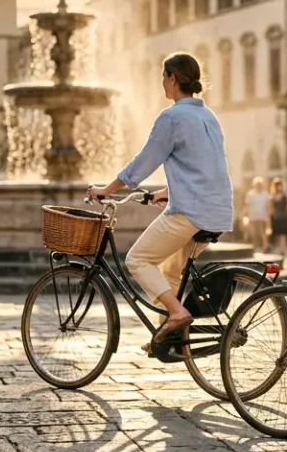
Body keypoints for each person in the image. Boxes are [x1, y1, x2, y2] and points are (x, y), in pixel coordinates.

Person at [87, 52, 234, 350]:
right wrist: (165, 193)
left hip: (190, 213)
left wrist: (107, 189)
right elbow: (203, 165)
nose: (161, 84)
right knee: (168, 272)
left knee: (138, 260)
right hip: (217, 211)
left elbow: (143, 163)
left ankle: (178, 313)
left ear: (172, 78)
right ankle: (169, 340)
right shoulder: (208, 115)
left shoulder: (172, 116)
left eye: (163, 77)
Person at [244, 177, 271, 253]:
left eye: (260, 184)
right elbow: (247, 205)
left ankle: (265, 247)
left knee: (263, 233)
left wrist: (268, 216)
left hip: (262, 216)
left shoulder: (265, 194)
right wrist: (246, 216)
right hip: (253, 217)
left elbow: (268, 206)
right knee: (253, 233)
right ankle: (254, 247)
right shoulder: (250, 194)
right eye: (257, 184)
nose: (259, 186)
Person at [268, 178, 287, 258]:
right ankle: (278, 249)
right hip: (275, 217)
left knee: (283, 234)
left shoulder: (284, 195)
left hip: (283, 217)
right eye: (277, 186)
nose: (279, 187)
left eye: (280, 185)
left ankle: (283, 249)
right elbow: (271, 208)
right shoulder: (272, 196)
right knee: (277, 234)